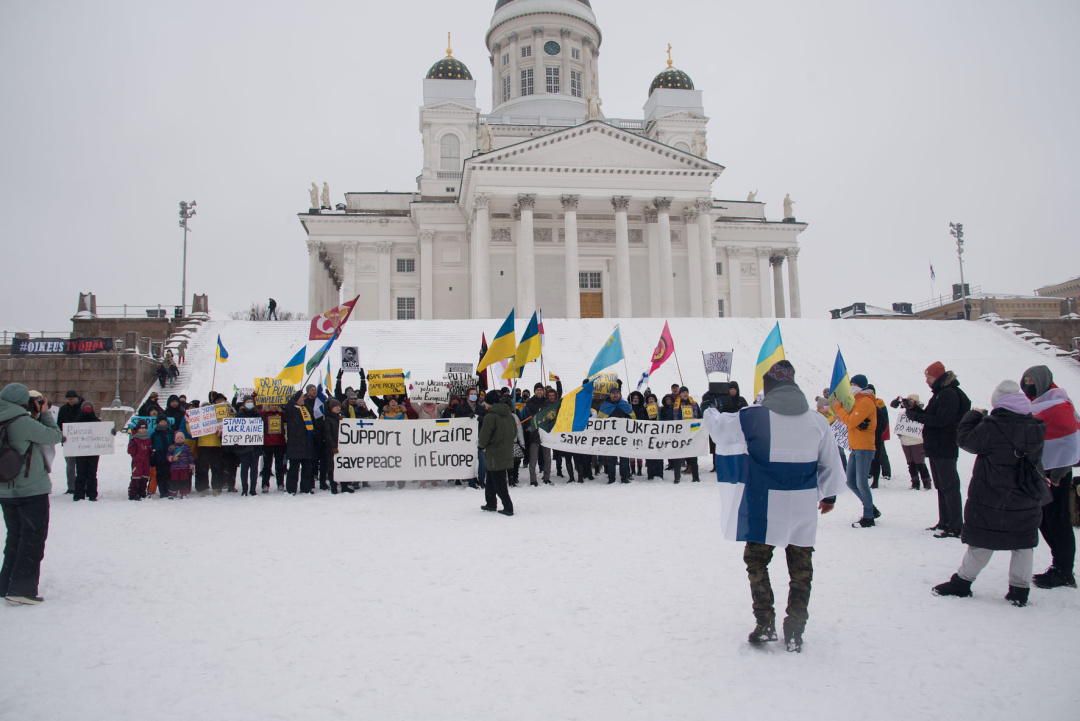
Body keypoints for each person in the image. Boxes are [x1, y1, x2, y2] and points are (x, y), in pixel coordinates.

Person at [701, 361, 845, 652]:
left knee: (756, 562)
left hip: (762, 504)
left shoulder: (753, 416)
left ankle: (765, 622)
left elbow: (719, 429)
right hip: (802, 505)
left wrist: (708, 406)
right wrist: (828, 496)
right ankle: (794, 631)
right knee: (801, 570)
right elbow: (831, 462)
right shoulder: (817, 420)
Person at [932, 381, 1051, 607]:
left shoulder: (992, 426)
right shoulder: (1036, 426)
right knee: (1023, 543)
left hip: (992, 495)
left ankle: (962, 583)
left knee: (982, 539)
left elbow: (965, 441)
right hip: (1025, 495)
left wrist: (973, 416)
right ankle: (1019, 591)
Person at [0, 383, 63, 604]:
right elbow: (54, 437)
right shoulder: (22, 421)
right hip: (31, 489)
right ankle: (22, 589)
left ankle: (6, 583)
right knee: (33, 538)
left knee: (15, 537)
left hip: (5, 491)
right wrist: (44, 414)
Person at [1022, 365, 1080, 589]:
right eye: (1025, 380)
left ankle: (1064, 570)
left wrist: (1057, 476)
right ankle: (1058, 565)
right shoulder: (1037, 404)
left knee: (1059, 520)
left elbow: (1069, 444)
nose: (1028, 384)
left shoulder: (1058, 405)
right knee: (1044, 519)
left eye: (1031, 380)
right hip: (1041, 470)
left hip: (1058, 473)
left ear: (1042, 380)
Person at [905, 361, 971, 538]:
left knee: (949, 486)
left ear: (940, 377)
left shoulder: (948, 394)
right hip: (936, 446)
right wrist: (915, 410)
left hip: (945, 445)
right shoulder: (940, 393)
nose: (927, 381)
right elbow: (931, 415)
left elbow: (942, 421)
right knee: (942, 486)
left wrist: (915, 416)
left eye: (930, 377)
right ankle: (945, 522)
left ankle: (956, 525)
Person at [832, 374, 879, 528]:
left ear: (861, 386)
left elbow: (851, 421)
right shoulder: (858, 401)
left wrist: (838, 408)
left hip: (864, 447)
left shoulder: (865, 402)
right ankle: (870, 507)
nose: (851, 387)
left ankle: (868, 516)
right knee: (851, 482)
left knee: (861, 482)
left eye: (854, 384)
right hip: (856, 447)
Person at [478, 390, 515, 516]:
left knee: (499, 481)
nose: (485, 405)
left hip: (495, 453)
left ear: (489, 403)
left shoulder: (490, 417)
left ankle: (508, 507)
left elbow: (484, 436)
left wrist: (481, 445)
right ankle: (491, 503)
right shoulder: (509, 415)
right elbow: (514, 433)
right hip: (506, 452)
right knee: (491, 479)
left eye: (486, 403)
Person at [71, 401, 111, 502]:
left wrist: (111, 432)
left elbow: (104, 432)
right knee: (81, 472)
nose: (87, 409)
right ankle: (79, 494)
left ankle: (92, 494)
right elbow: (71, 433)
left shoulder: (96, 421)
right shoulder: (77, 422)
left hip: (93, 450)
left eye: (89, 407)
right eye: (85, 407)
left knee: (92, 473)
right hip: (81, 450)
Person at [890, 394, 931, 490]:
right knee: (911, 464)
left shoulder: (920, 413)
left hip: (917, 441)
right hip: (905, 441)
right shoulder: (905, 414)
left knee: (920, 463)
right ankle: (915, 482)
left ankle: (926, 482)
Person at [597, 385, 635, 484]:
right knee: (611, 459)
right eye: (613, 393)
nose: (615, 395)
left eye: (617, 393)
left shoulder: (625, 405)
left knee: (624, 458)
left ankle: (624, 477)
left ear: (620, 394)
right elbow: (600, 421)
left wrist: (626, 420)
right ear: (610, 395)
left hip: (624, 437)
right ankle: (611, 478)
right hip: (611, 437)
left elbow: (633, 419)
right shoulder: (605, 405)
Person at [284, 390, 317, 495]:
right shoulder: (292, 410)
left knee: (307, 468)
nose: (303, 398)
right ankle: (291, 489)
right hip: (295, 444)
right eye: (301, 397)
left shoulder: (305, 409)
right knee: (294, 468)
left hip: (306, 443)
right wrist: (296, 394)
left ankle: (306, 488)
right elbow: (289, 404)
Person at [234, 396, 262, 496]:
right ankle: (244, 489)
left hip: (255, 446)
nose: (250, 403)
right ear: (244, 403)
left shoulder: (257, 414)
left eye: (251, 401)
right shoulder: (239, 415)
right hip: (243, 447)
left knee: (254, 469)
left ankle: (253, 488)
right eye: (248, 401)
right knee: (244, 469)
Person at [673, 386, 701, 483]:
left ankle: (696, 477)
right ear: (680, 394)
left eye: (686, 392)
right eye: (683, 392)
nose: (685, 394)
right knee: (678, 456)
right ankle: (677, 477)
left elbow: (700, 417)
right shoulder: (675, 405)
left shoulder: (694, 404)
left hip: (691, 433)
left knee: (693, 456)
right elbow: (670, 418)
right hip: (680, 433)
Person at [57, 389, 83, 494]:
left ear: (76, 397)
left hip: (82, 441)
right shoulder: (63, 409)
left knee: (81, 465)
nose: (69, 401)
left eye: (71, 399)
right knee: (70, 465)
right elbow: (59, 424)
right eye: (68, 399)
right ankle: (71, 487)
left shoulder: (83, 408)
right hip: (68, 442)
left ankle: (81, 486)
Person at [866, 385, 891, 488]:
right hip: (870, 434)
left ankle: (886, 473)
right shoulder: (866, 404)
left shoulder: (879, 403)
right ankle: (871, 472)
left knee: (881, 453)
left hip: (879, 432)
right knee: (871, 454)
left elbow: (884, 419)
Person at [260, 402, 288, 491]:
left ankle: (280, 483)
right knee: (267, 465)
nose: (274, 406)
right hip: (267, 443)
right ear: (268, 406)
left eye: (276, 405)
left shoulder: (281, 414)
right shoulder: (264, 414)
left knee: (279, 465)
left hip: (279, 443)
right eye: (272, 405)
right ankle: (265, 484)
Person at [322, 399, 348, 494]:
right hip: (332, 447)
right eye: (335, 406)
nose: (338, 408)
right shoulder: (328, 419)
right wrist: (333, 446)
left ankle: (344, 486)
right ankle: (334, 486)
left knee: (343, 466)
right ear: (331, 408)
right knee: (332, 467)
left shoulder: (341, 418)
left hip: (342, 446)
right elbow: (327, 434)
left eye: (339, 406)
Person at [127, 421, 153, 500]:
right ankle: (133, 494)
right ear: (138, 429)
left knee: (145, 477)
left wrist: (151, 452)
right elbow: (130, 451)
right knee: (136, 477)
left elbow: (150, 449)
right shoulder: (134, 439)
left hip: (146, 461)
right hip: (137, 461)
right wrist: (132, 445)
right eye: (141, 428)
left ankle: (142, 492)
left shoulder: (148, 439)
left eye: (145, 428)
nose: (143, 430)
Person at [150, 417, 173, 498]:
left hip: (168, 457)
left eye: (164, 421)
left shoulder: (170, 432)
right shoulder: (154, 434)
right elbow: (152, 446)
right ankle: (162, 491)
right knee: (160, 475)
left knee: (168, 475)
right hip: (159, 457)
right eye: (161, 422)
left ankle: (168, 491)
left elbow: (173, 443)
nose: (163, 423)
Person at [168, 431, 195, 498]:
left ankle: (184, 492)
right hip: (175, 467)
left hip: (184, 467)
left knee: (184, 480)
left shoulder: (186, 447)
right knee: (174, 480)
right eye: (178, 438)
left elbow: (190, 456)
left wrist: (191, 464)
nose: (180, 439)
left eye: (181, 438)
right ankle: (173, 493)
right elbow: (168, 455)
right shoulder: (172, 447)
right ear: (175, 439)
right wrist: (172, 458)